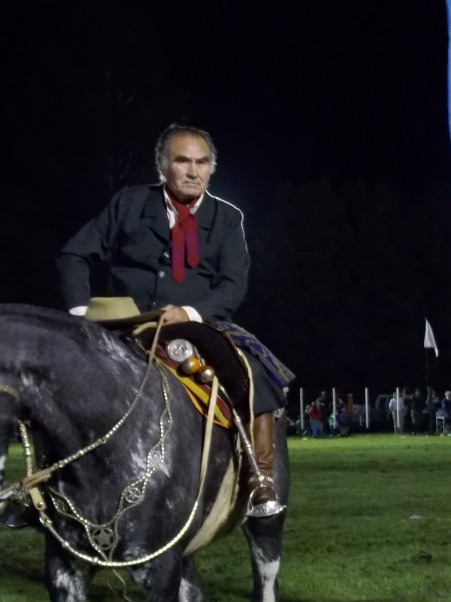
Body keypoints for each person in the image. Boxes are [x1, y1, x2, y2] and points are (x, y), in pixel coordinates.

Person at [55, 123, 293, 518]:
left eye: (202, 163)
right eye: (183, 161)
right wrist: (81, 315)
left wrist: (189, 312)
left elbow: (233, 286)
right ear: (163, 166)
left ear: (212, 169)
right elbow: (73, 255)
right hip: (126, 325)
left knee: (252, 373)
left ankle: (260, 479)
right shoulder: (128, 203)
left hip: (198, 324)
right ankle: (48, 486)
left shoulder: (228, 218)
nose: (193, 171)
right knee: (60, 380)